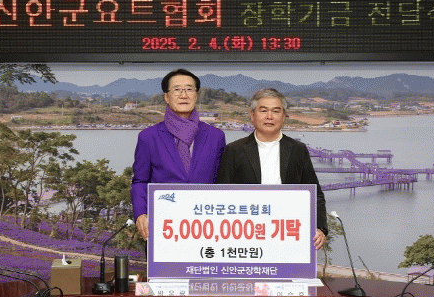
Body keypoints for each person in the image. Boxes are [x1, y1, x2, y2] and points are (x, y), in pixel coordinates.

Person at [216, 88, 328, 250]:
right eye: (263, 111)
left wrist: (320, 228)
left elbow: (315, 194)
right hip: (245, 236)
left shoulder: (298, 150)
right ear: (252, 115)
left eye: (276, 111)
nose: (269, 116)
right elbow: (221, 194)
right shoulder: (234, 150)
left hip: (287, 234)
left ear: (284, 117)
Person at [131, 69, 226, 241]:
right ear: (166, 97)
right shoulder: (148, 137)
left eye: (189, 89)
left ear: (196, 95)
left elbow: (222, 182)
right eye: (177, 90)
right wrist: (140, 213)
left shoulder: (216, 136)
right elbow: (140, 181)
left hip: (207, 226)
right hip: (162, 226)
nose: (183, 95)